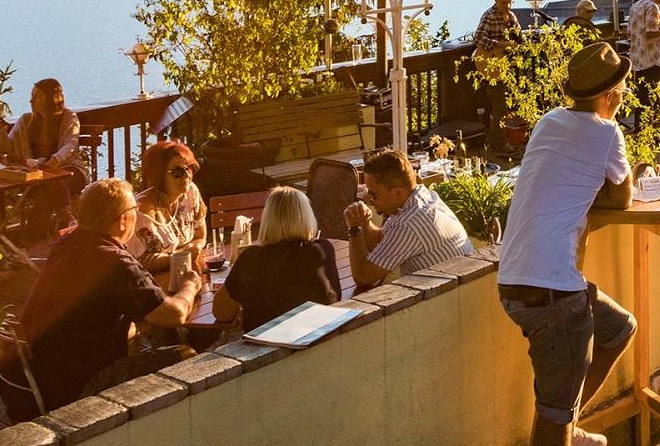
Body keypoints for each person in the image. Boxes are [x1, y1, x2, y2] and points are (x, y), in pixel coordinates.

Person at [498, 41, 636, 446]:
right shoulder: (607, 132)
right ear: (610, 95)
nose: (623, 97)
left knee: (619, 329)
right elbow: (623, 197)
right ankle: (562, 430)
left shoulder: (548, 120)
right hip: (554, 293)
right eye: (622, 92)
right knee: (551, 417)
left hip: (517, 281)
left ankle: (568, 427)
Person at [4, 177, 201, 418]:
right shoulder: (116, 262)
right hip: (79, 388)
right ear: (122, 221)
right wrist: (190, 285)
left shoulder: (65, 244)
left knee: (145, 334)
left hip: (39, 380)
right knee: (185, 356)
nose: (137, 215)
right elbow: (175, 314)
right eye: (134, 211)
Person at [213, 186, 341, 331]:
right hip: (315, 341)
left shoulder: (250, 258)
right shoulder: (321, 250)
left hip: (264, 346)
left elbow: (221, 313)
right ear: (307, 217)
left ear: (268, 220)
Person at [342, 148, 473, 287]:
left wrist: (354, 229)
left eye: (373, 193)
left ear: (397, 192)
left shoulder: (408, 224)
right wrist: (364, 223)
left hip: (445, 302)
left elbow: (363, 277)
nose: (368, 198)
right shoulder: (421, 197)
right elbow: (383, 242)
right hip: (458, 292)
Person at [0, 78, 88, 238]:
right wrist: (1, 131)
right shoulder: (26, 120)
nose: (31, 100)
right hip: (37, 175)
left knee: (53, 182)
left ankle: (32, 237)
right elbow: (7, 148)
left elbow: (70, 146)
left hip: (71, 171)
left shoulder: (68, 117)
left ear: (51, 99)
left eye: (36, 97)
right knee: (47, 189)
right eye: (32, 96)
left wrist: (53, 163)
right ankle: (65, 224)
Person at [127, 140, 207, 283]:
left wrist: (196, 247)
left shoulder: (190, 193)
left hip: (187, 275)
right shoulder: (140, 210)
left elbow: (200, 235)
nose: (187, 176)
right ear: (159, 176)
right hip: (153, 283)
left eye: (188, 168)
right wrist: (183, 255)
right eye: (177, 172)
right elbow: (137, 262)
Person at [473, 0, 522, 150]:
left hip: (503, 65)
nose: (507, 6)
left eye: (510, 2)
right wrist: (500, 44)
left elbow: (518, 38)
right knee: (499, 104)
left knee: (500, 104)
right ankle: (499, 144)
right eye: (503, 2)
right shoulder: (489, 15)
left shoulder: (511, 16)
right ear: (495, 0)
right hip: (489, 64)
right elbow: (478, 38)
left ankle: (493, 141)